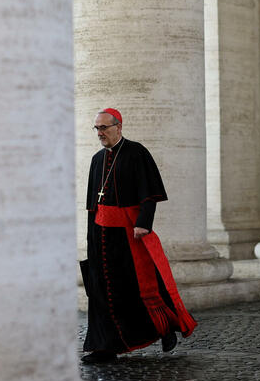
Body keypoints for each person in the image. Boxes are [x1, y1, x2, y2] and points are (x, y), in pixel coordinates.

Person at [80, 108, 197, 364]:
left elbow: (149, 193)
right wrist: (90, 236)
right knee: (102, 291)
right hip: (101, 236)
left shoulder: (136, 153)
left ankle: (165, 328)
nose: (100, 133)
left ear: (118, 127)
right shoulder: (97, 160)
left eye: (104, 128)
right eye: (97, 129)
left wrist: (143, 223)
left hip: (128, 235)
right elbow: (93, 203)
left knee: (139, 287)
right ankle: (104, 347)